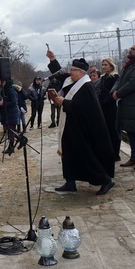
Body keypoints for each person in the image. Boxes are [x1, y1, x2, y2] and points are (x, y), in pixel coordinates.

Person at [47, 51, 116, 195]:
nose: (70, 72)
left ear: (80, 72)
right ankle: (70, 181)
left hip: (83, 128)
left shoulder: (86, 87)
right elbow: (59, 73)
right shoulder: (72, 81)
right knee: (68, 153)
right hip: (70, 125)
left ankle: (106, 181)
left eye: (73, 70)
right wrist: (52, 59)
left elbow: (84, 107)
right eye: (71, 70)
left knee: (86, 156)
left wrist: (63, 101)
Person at [99, 57, 121, 162]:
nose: (103, 67)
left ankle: (115, 154)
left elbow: (113, 94)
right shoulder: (103, 77)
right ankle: (108, 151)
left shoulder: (115, 77)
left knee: (113, 130)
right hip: (103, 107)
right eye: (102, 65)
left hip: (111, 107)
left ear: (111, 66)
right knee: (106, 130)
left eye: (105, 65)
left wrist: (104, 102)